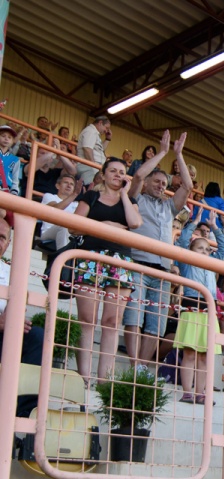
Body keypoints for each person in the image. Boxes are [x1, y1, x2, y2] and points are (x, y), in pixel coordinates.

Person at [122, 131, 192, 370]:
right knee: (133, 316)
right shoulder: (136, 199)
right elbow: (139, 174)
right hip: (138, 265)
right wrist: (163, 152)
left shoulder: (169, 207)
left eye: (164, 183)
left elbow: (188, 185)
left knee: (156, 324)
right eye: (157, 181)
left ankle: (141, 366)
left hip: (162, 272)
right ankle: (133, 363)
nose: (161, 186)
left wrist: (179, 155)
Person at [72, 157, 143, 385]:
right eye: (112, 171)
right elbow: (73, 225)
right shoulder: (91, 196)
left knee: (113, 321)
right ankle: (83, 377)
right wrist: (109, 227)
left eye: (122, 172)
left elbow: (134, 223)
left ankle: (105, 381)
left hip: (120, 261)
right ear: (102, 174)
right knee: (87, 318)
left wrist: (124, 195)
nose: (117, 175)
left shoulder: (129, 199)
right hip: (91, 258)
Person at [173, 211, 224, 404]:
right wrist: (194, 222)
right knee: (189, 353)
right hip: (190, 306)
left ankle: (201, 392)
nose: (204, 252)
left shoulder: (212, 264)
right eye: (200, 249)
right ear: (191, 250)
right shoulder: (186, 262)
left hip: (209, 309)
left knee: (204, 356)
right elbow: (180, 244)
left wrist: (215, 228)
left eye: (206, 249)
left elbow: (223, 251)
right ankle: (187, 391)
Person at [0, 219, 46, 366]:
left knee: (37, 336)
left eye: (2, 238)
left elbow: (16, 309)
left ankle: (21, 388)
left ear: (8, 244)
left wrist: (14, 320)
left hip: (4, 333)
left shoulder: (10, 273)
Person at [39, 175, 80, 249]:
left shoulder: (77, 204)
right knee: (64, 226)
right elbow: (56, 209)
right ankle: (63, 258)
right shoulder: (49, 196)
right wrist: (75, 194)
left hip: (71, 233)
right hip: (48, 232)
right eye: (65, 182)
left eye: (72, 184)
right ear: (57, 186)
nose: (68, 185)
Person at [75, 116, 111, 186]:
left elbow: (100, 150)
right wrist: (94, 166)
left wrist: (108, 139)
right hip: (88, 167)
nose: (106, 131)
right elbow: (87, 149)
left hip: (94, 168)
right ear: (100, 123)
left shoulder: (95, 133)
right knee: (89, 188)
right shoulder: (91, 131)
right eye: (106, 128)